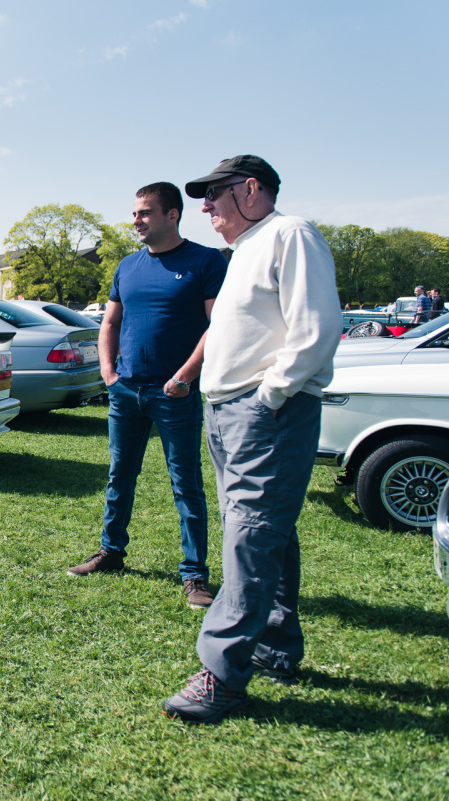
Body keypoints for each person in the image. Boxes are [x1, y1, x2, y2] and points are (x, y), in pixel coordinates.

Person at [162, 156, 342, 724]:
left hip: (265, 413)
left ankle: (222, 675)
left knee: (250, 535)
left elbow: (315, 328)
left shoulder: (291, 234)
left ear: (251, 188)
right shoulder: (242, 252)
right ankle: (273, 648)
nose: (206, 207)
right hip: (231, 412)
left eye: (214, 194)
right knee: (267, 532)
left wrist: (270, 396)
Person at [68, 182, 227, 612]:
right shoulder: (128, 266)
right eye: (135, 213)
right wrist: (108, 373)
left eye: (144, 213)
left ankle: (194, 575)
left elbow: (219, 326)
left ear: (172, 215)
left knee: (186, 483)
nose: (135, 221)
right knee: (120, 474)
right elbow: (109, 323)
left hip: (175, 393)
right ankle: (111, 551)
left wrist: (184, 377)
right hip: (127, 391)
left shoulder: (206, 261)